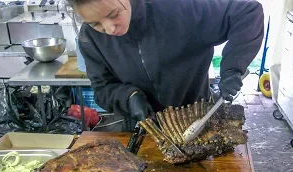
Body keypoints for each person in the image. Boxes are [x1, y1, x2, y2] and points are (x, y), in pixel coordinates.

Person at [67, 0, 264, 131]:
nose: (109, 29)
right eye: (96, 23)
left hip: (196, 118)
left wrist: (232, 68)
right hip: (143, 126)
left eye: (113, 14)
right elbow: (102, 88)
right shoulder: (90, 38)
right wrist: (128, 97)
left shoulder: (178, 7)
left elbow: (248, 12)